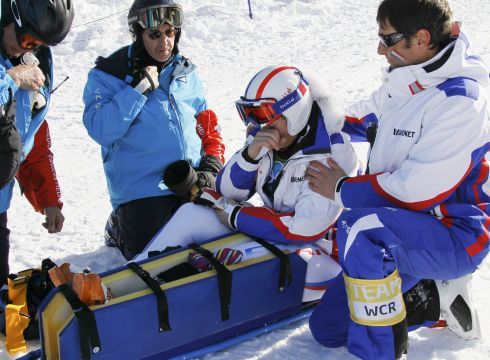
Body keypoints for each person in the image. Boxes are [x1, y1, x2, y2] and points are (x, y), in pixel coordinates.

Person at [305, 0, 489, 358]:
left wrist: (341, 188)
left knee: (361, 226)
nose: (380, 49)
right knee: (327, 329)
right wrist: (305, 111)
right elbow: (362, 118)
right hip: (408, 227)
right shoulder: (411, 76)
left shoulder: (461, 100)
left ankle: (381, 352)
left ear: (421, 38)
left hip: (455, 234)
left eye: (388, 39)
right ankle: (436, 298)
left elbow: (417, 191)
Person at [133, 65, 359, 301]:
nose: (261, 125)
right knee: (192, 214)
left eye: (267, 116)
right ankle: (129, 274)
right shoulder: (270, 135)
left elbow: (303, 228)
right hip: (278, 237)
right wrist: (251, 156)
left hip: (325, 257)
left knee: (231, 256)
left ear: (294, 111)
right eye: (255, 116)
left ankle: (170, 302)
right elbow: (227, 190)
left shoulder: (332, 155)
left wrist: (236, 214)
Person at [82, 0, 225, 261]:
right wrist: (136, 91)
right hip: (143, 191)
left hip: (189, 181)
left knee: (222, 244)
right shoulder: (108, 74)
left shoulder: (186, 71)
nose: (164, 42)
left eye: (169, 33)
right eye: (154, 34)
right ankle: (119, 226)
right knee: (158, 262)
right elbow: (100, 129)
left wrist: (212, 163)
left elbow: (206, 122)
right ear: (138, 34)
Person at [0, 0, 73, 286]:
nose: (28, 49)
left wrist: (48, 200)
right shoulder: (16, 74)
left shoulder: (31, 65)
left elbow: (30, 136)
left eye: (38, 45)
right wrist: (10, 78)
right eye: (27, 39)